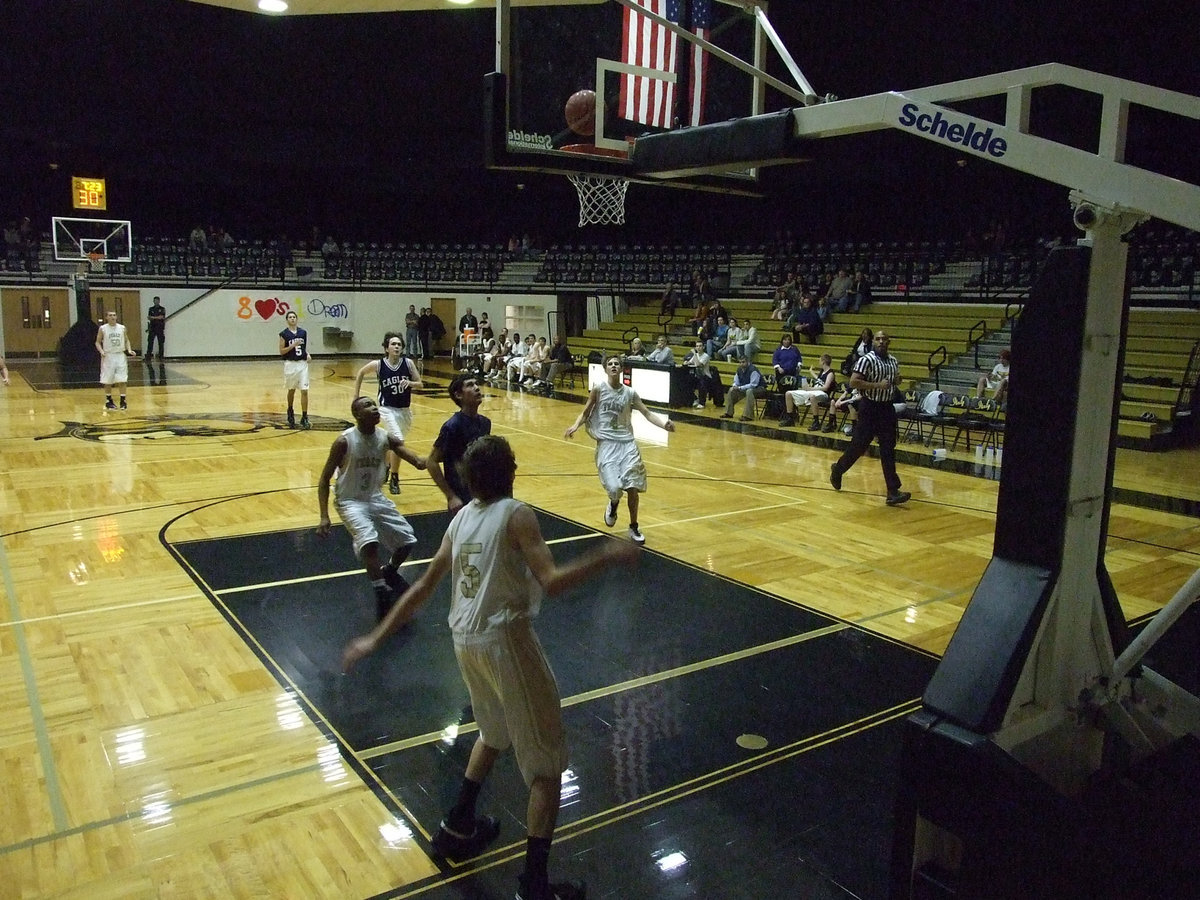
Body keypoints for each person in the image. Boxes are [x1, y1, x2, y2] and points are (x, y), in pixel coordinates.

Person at [342, 434, 638, 900]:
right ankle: (533, 886)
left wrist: (373, 639)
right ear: (512, 471)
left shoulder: (461, 519)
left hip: (466, 640)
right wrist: (606, 555)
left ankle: (458, 826)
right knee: (546, 767)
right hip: (506, 642)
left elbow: (419, 590)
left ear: (469, 479)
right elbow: (553, 582)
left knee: (493, 732)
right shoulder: (516, 514)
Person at [316, 396, 427, 621]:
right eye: (367, 406)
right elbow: (324, 478)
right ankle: (380, 588)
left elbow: (411, 457)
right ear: (357, 415)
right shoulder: (344, 442)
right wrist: (324, 516)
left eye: (374, 405)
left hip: (375, 497)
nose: (374, 408)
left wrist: (424, 460)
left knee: (407, 542)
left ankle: (389, 570)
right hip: (349, 500)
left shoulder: (385, 437)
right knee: (369, 541)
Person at [564, 354, 676, 544]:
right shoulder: (599, 389)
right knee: (615, 489)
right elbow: (586, 412)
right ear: (605, 369)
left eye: (617, 363)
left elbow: (647, 413)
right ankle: (613, 503)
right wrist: (575, 425)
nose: (614, 366)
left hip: (628, 444)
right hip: (607, 444)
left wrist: (664, 424)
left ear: (622, 368)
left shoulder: (630, 393)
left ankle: (633, 526)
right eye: (610, 364)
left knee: (632, 486)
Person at [829, 330, 910, 506]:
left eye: (884, 339)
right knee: (858, 447)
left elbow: (894, 381)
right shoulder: (866, 359)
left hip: (887, 408)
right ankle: (838, 469)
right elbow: (853, 382)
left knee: (888, 449)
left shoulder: (893, 361)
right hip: (870, 407)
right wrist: (877, 385)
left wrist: (897, 381)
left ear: (889, 342)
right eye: (878, 339)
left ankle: (892, 491)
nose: (881, 342)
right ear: (873, 342)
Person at [353, 332, 422, 495]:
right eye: (393, 344)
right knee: (398, 441)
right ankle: (395, 478)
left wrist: (410, 383)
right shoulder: (379, 365)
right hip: (387, 409)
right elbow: (360, 373)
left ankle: (386, 465)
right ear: (386, 348)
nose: (397, 347)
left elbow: (420, 384)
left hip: (404, 411)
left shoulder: (408, 363)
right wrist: (356, 395)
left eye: (399, 344)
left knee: (393, 445)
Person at [427, 374, 492, 513]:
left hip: (482, 493)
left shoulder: (485, 423)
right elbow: (431, 462)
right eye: (470, 385)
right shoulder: (452, 426)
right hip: (462, 497)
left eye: (476, 384)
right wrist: (451, 496)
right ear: (458, 395)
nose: (476, 388)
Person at [780, 353, 837, 430]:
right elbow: (819, 380)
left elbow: (826, 387)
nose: (819, 362)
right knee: (788, 393)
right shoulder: (822, 372)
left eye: (820, 360)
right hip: (814, 391)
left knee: (812, 396)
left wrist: (811, 389)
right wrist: (811, 372)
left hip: (823, 394)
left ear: (823, 362)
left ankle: (816, 422)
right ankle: (790, 418)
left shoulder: (830, 373)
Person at [95, 310, 137, 410]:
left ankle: (123, 401)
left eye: (114, 315)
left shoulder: (122, 328)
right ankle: (108, 400)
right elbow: (97, 342)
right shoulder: (103, 328)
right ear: (107, 318)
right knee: (108, 379)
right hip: (108, 356)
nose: (113, 317)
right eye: (110, 315)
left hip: (120, 355)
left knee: (122, 379)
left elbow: (126, 340)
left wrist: (129, 350)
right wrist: (101, 351)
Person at [278, 310, 311, 429]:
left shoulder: (303, 333)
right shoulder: (284, 334)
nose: (292, 319)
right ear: (287, 320)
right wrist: (292, 345)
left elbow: (303, 348)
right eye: (290, 317)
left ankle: (304, 416)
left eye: (294, 317)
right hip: (290, 364)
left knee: (304, 390)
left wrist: (307, 354)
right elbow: (281, 351)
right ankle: (290, 410)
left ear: (297, 319)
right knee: (291, 390)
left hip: (302, 364)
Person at [721, 356, 762, 421]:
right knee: (731, 390)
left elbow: (753, 385)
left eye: (743, 362)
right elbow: (736, 381)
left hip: (759, 388)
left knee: (749, 391)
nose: (741, 364)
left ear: (748, 362)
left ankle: (748, 416)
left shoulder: (753, 370)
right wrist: (735, 386)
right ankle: (729, 413)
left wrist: (740, 387)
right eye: (740, 362)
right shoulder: (739, 369)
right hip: (745, 388)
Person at [682, 340, 713, 409]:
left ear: (703, 347)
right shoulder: (695, 356)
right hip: (697, 376)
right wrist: (685, 362)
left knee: (702, 383)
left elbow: (699, 365)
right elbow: (689, 362)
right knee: (686, 382)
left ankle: (702, 403)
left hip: (706, 376)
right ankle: (695, 399)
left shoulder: (706, 356)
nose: (698, 348)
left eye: (700, 346)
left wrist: (694, 354)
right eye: (697, 346)